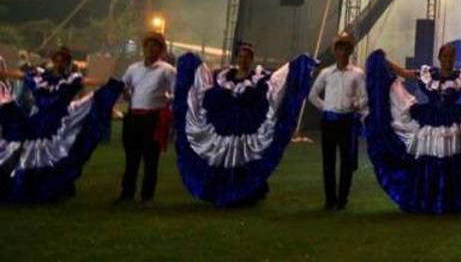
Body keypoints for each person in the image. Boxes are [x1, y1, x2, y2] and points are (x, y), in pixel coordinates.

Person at [364, 42, 461, 213]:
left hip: (452, 121)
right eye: (445, 56)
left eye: (451, 57)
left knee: (450, 158)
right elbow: (405, 73)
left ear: (455, 58)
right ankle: (426, 197)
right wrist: (384, 61)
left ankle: (448, 199)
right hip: (429, 118)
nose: (447, 60)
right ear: (439, 57)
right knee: (427, 157)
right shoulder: (428, 74)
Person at [173, 41, 317, 207]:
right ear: (237, 58)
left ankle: (247, 193)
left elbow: (274, 88)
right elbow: (207, 90)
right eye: (241, 56)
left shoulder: (260, 78)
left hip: (247, 127)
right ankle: (224, 191)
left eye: (247, 57)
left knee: (245, 158)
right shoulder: (222, 76)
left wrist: (297, 66)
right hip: (225, 126)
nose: (244, 60)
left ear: (252, 59)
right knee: (224, 158)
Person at [0, 46, 124, 202]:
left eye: (63, 60)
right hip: (38, 121)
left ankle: (57, 188)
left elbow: (89, 81)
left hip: (59, 123)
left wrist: (112, 83)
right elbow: (20, 75)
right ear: (53, 60)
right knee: (32, 154)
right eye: (57, 59)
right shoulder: (40, 77)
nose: (59, 63)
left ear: (67, 62)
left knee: (57, 155)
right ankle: (32, 187)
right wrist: (3, 73)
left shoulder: (71, 80)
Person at [309, 32, 367, 211]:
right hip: (329, 120)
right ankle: (329, 199)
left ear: (350, 51)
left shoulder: (357, 73)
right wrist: (326, 107)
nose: (342, 52)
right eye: (339, 48)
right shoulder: (326, 73)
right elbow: (312, 94)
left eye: (345, 48)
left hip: (348, 120)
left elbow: (366, 96)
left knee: (347, 162)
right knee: (329, 161)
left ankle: (342, 199)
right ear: (335, 51)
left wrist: (357, 105)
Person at [117, 31, 176, 204]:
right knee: (131, 158)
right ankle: (127, 193)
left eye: (155, 45)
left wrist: (167, 100)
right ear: (143, 48)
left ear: (161, 49)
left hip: (153, 118)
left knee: (151, 159)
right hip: (133, 117)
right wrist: (125, 92)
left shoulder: (167, 70)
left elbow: (176, 91)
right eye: (148, 45)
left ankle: (147, 195)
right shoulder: (133, 68)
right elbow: (123, 85)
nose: (151, 49)